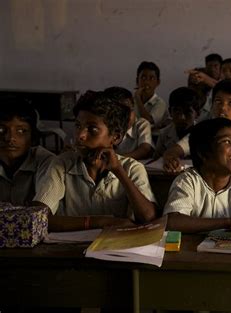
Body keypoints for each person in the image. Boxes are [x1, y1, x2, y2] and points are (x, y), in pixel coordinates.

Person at [33, 91, 157, 231]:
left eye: (92, 129)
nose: (80, 135)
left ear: (115, 137)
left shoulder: (131, 168)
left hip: (115, 249)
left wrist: (118, 171)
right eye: (78, 126)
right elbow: (37, 218)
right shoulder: (61, 164)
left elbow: (148, 217)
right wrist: (101, 222)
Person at [163, 117, 231, 233]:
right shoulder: (188, 181)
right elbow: (172, 222)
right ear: (203, 152)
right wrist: (229, 222)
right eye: (227, 141)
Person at [163, 79, 231, 172]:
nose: (222, 108)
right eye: (218, 101)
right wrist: (171, 158)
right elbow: (175, 150)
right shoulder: (204, 128)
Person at [0, 96, 55, 205]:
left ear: (32, 137)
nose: (10, 138)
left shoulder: (46, 162)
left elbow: (40, 212)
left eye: (21, 131)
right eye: (1, 129)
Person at [105, 87, 154, 160]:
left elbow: (144, 150)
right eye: (121, 112)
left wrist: (117, 160)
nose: (127, 116)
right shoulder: (105, 125)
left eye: (131, 110)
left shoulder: (141, 124)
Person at [154, 87, 200, 158]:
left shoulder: (203, 134)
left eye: (187, 112)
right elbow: (156, 161)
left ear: (197, 113)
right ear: (170, 112)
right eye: (177, 111)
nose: (181, 117)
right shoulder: (164, 134)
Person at [134, 61, 170, 131]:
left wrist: (138, 99)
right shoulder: (132, 101)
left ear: (158, 82)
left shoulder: (160, 103)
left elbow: (148, 121)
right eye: (143, 78)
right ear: (137, 81)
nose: (147, 82)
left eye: (152, 78)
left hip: (154, 138)